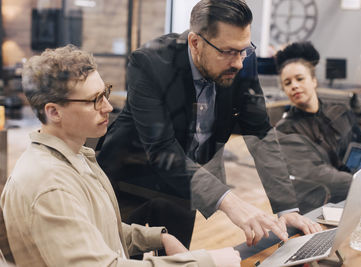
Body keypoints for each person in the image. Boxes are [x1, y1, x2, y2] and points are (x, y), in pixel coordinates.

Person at [97, 0, 320, 250]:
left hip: (185, 183)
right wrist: (230, 201)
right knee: (123, 256)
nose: (238, 62)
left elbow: (259, 132)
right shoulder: (149, 62)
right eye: (227, 51)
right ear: (195, 42)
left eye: (243, 49)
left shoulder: (243, 61)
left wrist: (286, 208)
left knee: (179, 259)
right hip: (131, 179)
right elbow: (161, 149)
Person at [0, 45, 242, 267]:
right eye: (94, 100)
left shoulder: (78, 156)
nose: (106, 107)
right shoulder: (50, 185)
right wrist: (206, 262)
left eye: (104, 92)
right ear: (53, 112)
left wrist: (157, 238)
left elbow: (98, 229)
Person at [261, 41, 361, 214]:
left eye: (300, 78)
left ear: (314, 81)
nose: (294, 85)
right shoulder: (285, 131)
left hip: (357, 197)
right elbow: (323, 176)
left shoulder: (339, 111)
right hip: (321, 208)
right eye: (287, 83)